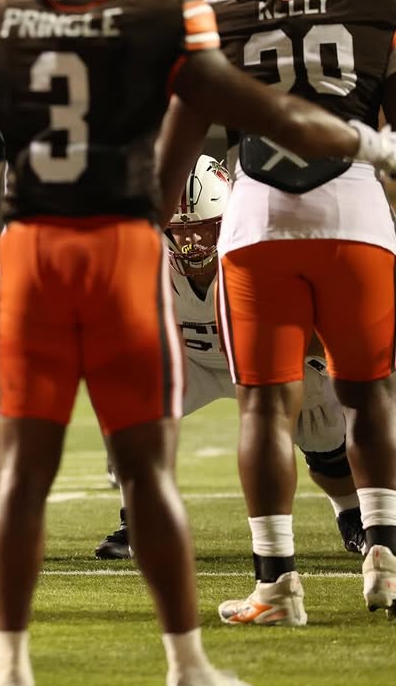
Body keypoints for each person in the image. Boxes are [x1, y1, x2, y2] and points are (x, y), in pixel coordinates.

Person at [0, 0, 396, 686]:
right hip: (124, 247)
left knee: (22, 475)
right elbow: (269, 112)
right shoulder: (162, 18)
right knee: (149, 472)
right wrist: (369, 145)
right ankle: (188, 670)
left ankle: (9, 671)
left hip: (34, 254)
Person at [155, 0, 396, 625]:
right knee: (369, 391)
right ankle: (387, 557)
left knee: (265, 406)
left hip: (259, 215)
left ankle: (278, 583)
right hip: (356, 209)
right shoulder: (375, 4)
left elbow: (176, 147)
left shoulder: (217, 16)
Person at [93, 157, 365, 564]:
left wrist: (320, 357)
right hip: (193, 361)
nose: (192, 242)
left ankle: (351, 514)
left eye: (204, 228)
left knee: (325, 437)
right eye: (181, 230)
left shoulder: (261, 249)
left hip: (262, 358)